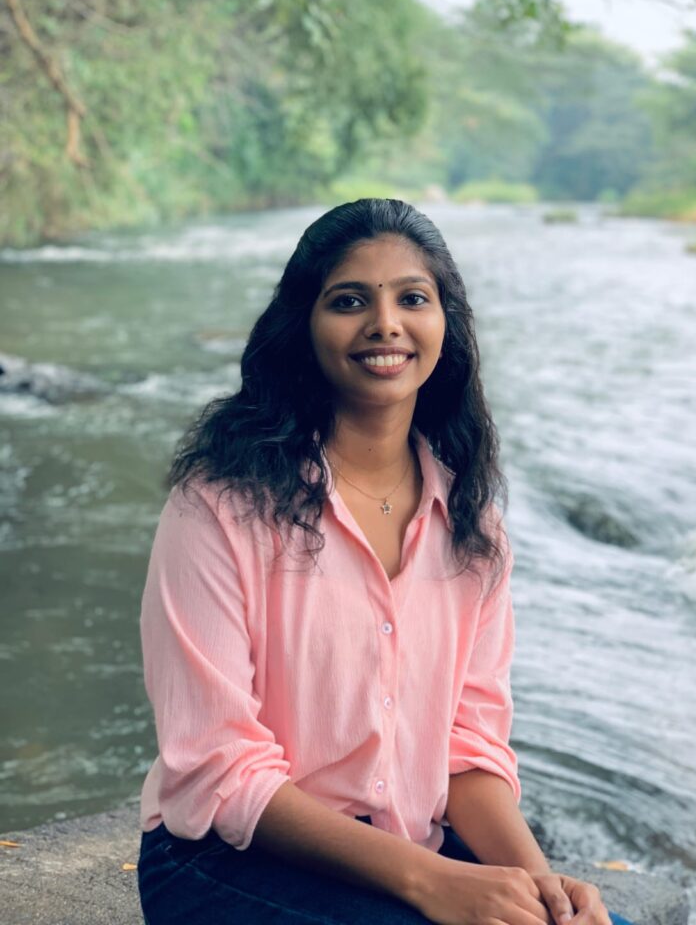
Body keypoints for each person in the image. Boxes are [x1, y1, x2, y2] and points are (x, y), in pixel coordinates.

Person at [137, 199, 633, 925]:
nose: (385, 325)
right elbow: (219, 764)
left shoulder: (472, 524)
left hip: (410, 845)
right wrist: (430, 882)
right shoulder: (219, 505)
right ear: (302, 325)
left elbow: (469, 749)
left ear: (445, 326)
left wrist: (542, 884)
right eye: (349, 301)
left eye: (413, 298)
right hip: (225, 860)